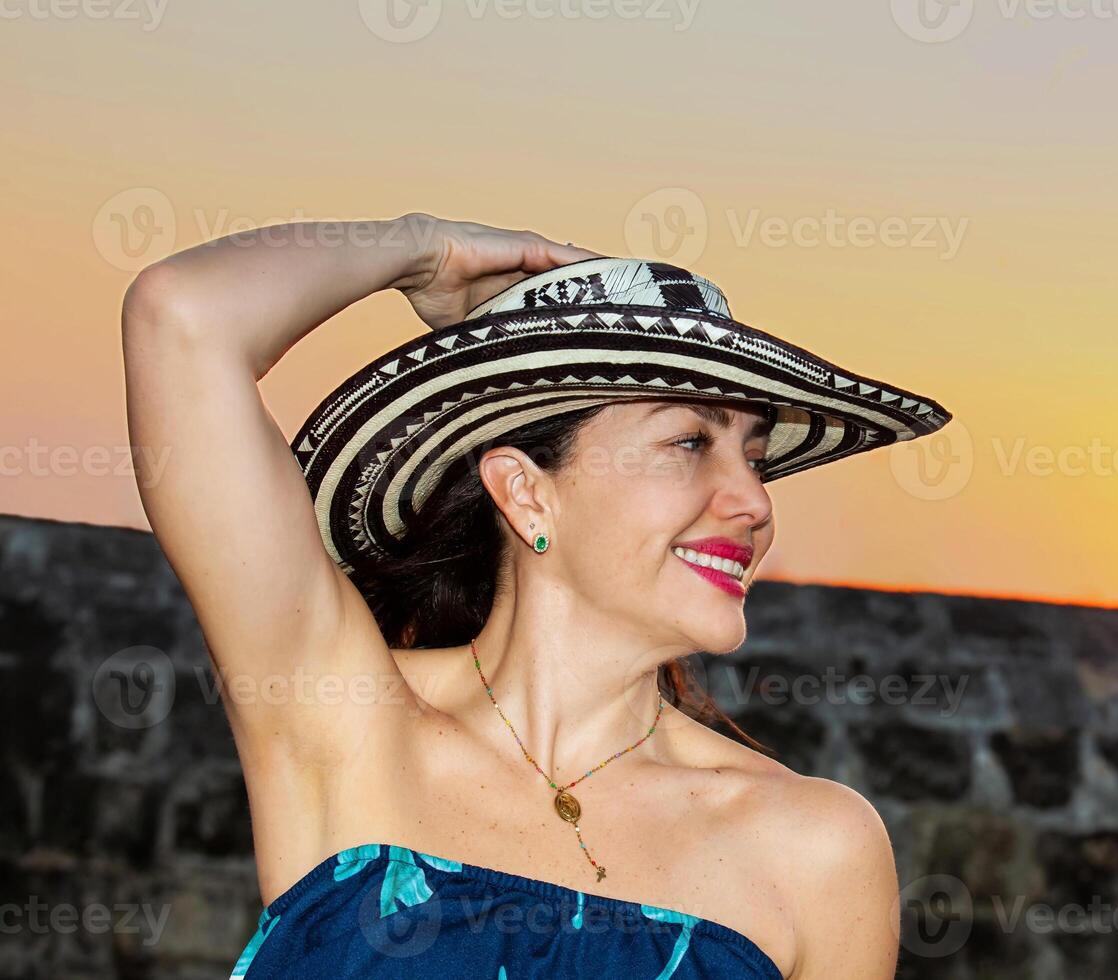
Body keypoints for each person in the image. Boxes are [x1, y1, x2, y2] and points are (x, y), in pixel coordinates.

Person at [120, 213, 952, 978]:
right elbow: (181, 316)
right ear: (526, 494)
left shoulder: (816, 848)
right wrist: (425, 252)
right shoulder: (349, 721)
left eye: (756, 458)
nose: (754, 502)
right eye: (690, 441)